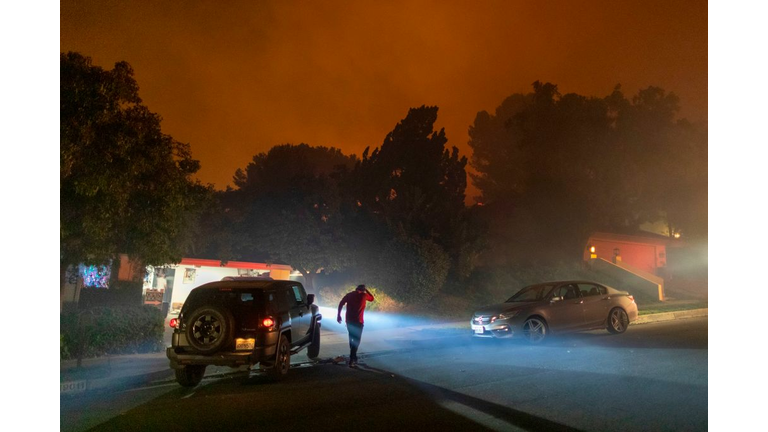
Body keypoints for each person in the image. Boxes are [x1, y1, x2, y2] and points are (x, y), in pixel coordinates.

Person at [337, 284, 374, 367]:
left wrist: (338, 315)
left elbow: (341, 303)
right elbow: (372, 298)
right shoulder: (364, 295)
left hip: (349, 321)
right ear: (363, 290)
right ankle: (352, 358)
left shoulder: (349, 295)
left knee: (351, 338)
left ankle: (354, 356)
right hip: (359, 321)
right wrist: (367, 290)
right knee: (357, 340)